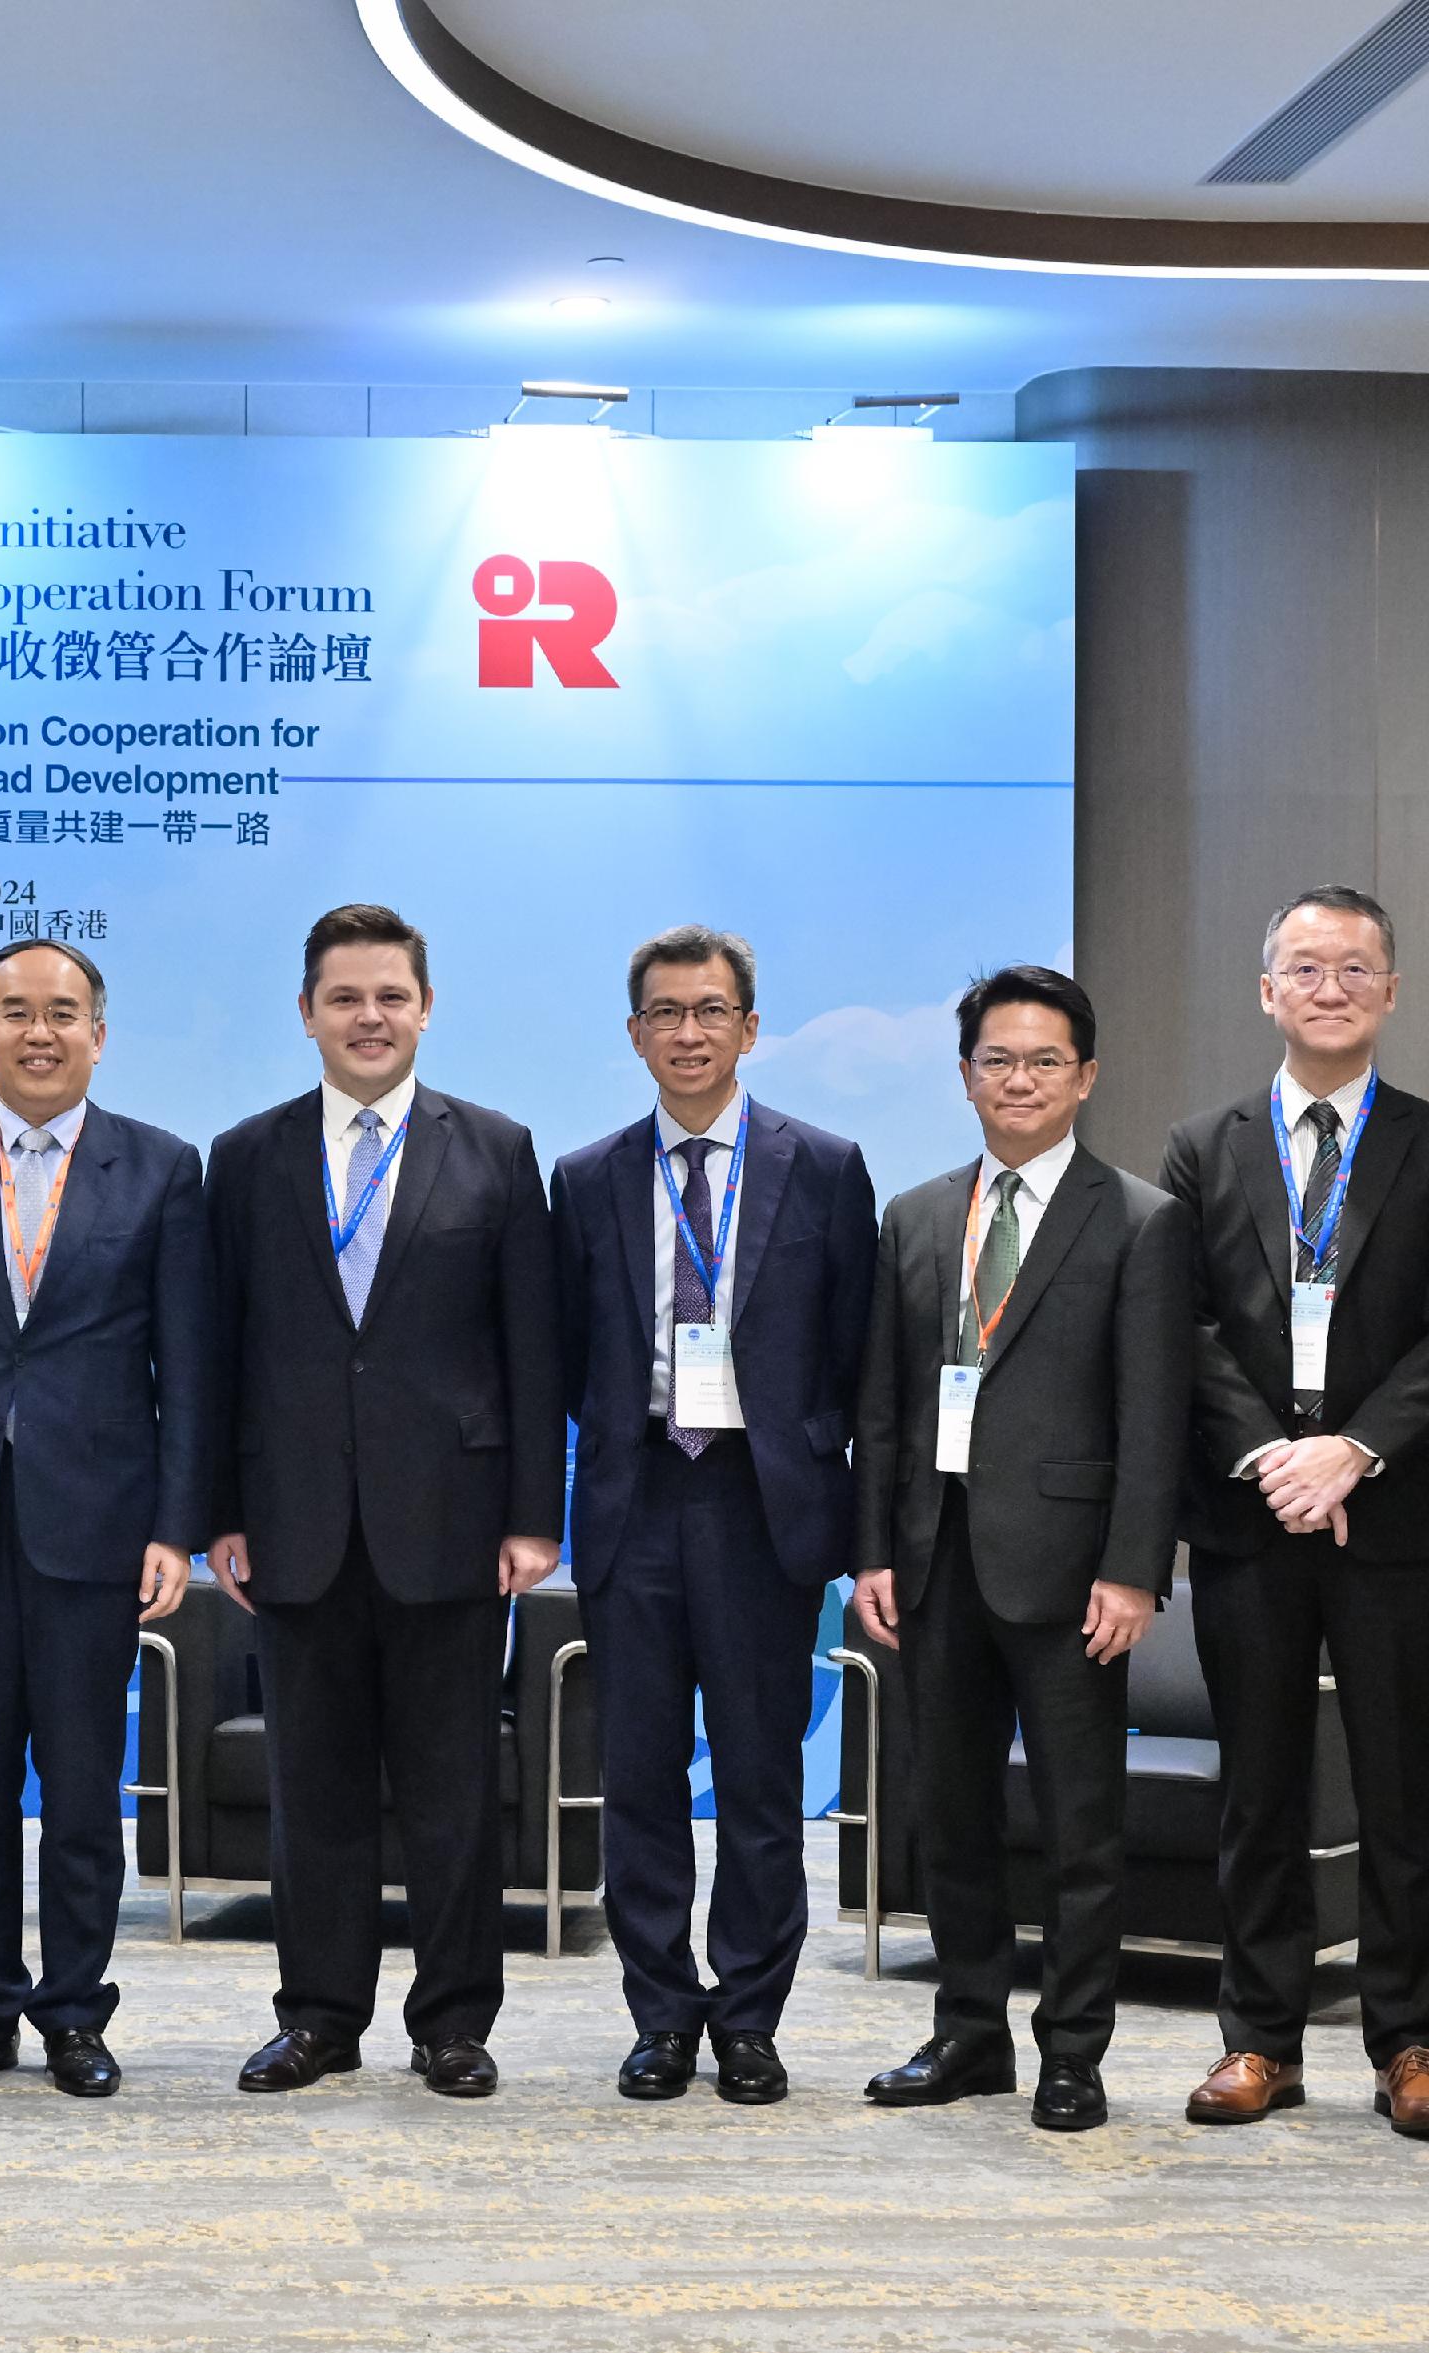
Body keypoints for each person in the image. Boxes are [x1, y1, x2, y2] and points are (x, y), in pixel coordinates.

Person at [205, 902, 563, 2100]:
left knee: (453, 1790)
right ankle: (318, 2015)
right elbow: (219, 1353)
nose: (370, 1018)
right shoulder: (246, 1156)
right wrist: (219, 1509)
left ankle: (453, 2022)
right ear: (306, 1013)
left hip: (453, 1525)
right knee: (315, 1792)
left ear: (425, 1007)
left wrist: (530, 1513)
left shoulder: (496, 1149)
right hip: (294, 1519)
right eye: (345, 998)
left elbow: (531, 1349)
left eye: (391, 997)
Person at [1159, 888, 1429, 2141]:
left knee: (1408, 1790)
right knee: (1257, 1788)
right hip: (1252, 1522)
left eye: (1356, 968)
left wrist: (1351, 1451)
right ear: (1266, 990)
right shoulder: (1202, 1146)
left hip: (1396, 1522)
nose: (1331, 987)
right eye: (1305, 967)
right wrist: (1272, 1459)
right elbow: (1183, 1327)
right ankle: (1258, 2041)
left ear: (1391, 992)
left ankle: (1410, 2043)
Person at [0, 937, 215, 2100]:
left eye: (62, 1011)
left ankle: (74, 2014)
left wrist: (176, 1524)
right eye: (14, 1011)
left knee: (79, 1791)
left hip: (97, 1524)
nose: (38, 1032)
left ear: (98, 1033)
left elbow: (189, 1367)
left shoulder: (162, 1169)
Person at [851, 964, 1190, 2132]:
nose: (1020, 1079)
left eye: (1044, 1060)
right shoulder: (917, 1214)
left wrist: (1135, 1568)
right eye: (997, 1059)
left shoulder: (1141, 1220)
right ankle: (967, 2033)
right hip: (933, 1564)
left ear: (1085, 1076)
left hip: (1072, 1577)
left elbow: (1155, 1416)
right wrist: (873, 1554)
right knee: (946, 1816)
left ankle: (1073, 2051)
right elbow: (883, 1407)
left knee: (1078, 1826)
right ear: (963, 1076)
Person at [548, 926, 873, 2106]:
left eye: (710, 1011)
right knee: (636, 1781)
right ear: (635, 1033)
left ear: (748, 1025)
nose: (688, 1033)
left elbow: (855, 1357)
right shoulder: (584, 1179)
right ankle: (659, 2017)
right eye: (665, 1014)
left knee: (754, 1783)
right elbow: (562, 1363)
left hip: (760, 1508)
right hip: (634, 1500)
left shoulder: (825, 1167)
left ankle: (747, 2020)